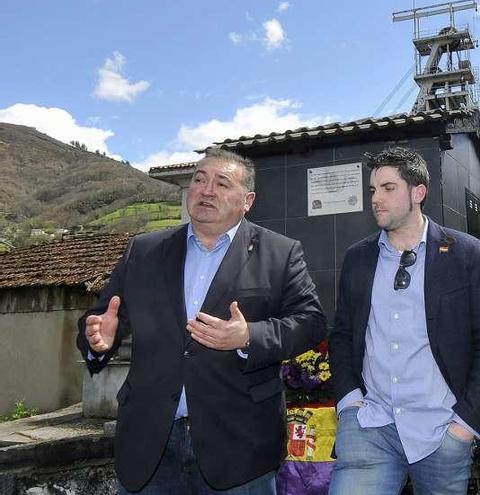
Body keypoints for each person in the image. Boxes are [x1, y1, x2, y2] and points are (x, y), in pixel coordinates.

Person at [77, 149, 326, 494]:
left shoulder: (280, 253)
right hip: (150, 444)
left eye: (222, 183)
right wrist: (99, 338)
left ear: (247, 200)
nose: (206, 190)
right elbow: (103, 318)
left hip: (239, 447)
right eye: (199, 180)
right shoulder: (144, 251)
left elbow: (310, 322)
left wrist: (248, 336)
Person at [328, 146, 480, 495]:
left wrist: (465, 425)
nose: (376, 198)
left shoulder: (464, 252)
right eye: (372, 190)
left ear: (418, 192)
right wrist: (350, 404)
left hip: (441, 431)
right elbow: (343, 334)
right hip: (371, 425)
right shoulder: (358, 258)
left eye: (388, 188)